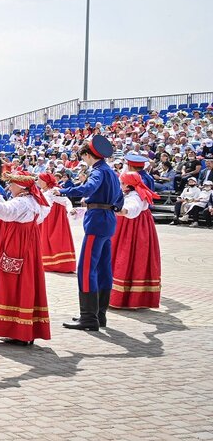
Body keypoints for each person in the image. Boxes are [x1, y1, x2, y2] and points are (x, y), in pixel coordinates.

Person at [60, 135, 124, 331]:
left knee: (86, 268)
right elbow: (120, 198)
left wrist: (65, 191)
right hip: (108, 220)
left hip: (96, 221)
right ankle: (99, 315)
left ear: (88, 155)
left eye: (84, 157)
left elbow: (89, 187)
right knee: (104, 268)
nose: (83, 161)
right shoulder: (111, 172)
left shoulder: (98, 171)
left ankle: (88, 317)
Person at [0, 173, 52, 346]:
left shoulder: (21, 202)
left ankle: (17, 330)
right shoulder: (35, 200)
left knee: (11, 284)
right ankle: (25, 329)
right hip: (28, 246)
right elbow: (43, 213)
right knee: (27, 283)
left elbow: (6, 212)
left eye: (12, 184)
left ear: (21, 186)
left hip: (15, 246)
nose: (9, 187)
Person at [109, 173, 162, 310]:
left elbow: (133, 207)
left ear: (127, 184)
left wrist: (123, 210)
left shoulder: (136, 195)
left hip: (132, 230)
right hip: (129, 228)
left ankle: (127, 298)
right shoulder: (134, 193)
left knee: (128, 258)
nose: (120, 185)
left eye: (121, 182)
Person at [36, 173, 77, 272]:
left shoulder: (53, 191)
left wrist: (70, 209)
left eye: (39, 180)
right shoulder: (41, 191)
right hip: (45, 219)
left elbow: (66, 201)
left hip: (55, 220)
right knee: (43, 239)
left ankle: (61, 264)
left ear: (45, 181)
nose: (37, 182)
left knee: (56, 239)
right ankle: (45, 263)